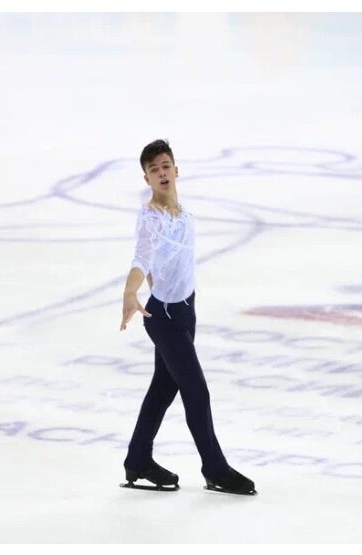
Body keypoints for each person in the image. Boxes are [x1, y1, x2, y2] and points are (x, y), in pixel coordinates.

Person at [119, 139, 256, 496]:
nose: (162, 173)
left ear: (176, 170)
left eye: (165, 166)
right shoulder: (151, 218)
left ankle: (138, 458)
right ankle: (215, 468)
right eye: (154, 170)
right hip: (164, 316)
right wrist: (131, 291)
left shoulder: (184, 214)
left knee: (162, 389)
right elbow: (142, 257)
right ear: (147, 179)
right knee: (196, 390)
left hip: (185, 311)